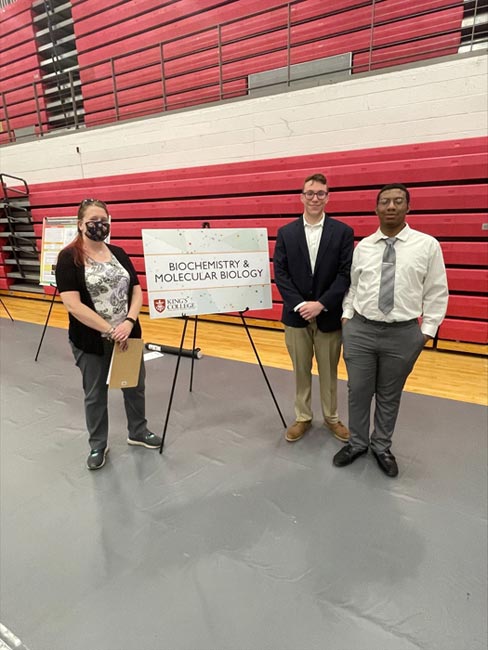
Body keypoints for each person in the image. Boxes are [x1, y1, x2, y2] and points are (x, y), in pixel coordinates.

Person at [335, 183, 448, 477]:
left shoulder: (427, 245)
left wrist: (427, 331)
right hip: (360, 330)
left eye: (398, 201)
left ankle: (381, 446)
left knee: (389, 394)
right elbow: (355, 287)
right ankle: (357, 443)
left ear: (408, 207)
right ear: (376, 208)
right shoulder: (363, 247)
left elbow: (437, 291)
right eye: (385, 201)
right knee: (358, 391)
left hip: (403, 333)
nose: (391, 206)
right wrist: (348, 318)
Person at [55, 198, 161, 470]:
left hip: (128, 334)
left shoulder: (119, 252)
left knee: (134, 386)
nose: (99, 226)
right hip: (92, 340)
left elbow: (136, 291)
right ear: (80, 224)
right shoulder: (68, 258)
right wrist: (110, 330)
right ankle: (98, 445)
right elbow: (72, 304)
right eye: (93, 221)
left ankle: (138, 431)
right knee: (95, 394)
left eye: (104, 220)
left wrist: (128, 321)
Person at [273, 173, 354, 443]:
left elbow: (345, 274)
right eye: (310, 193)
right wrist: (300, 305)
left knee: (330, 369)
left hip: (328, 315)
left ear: (328, 197)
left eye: (321, 193)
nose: (315, 198)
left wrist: (321, 305)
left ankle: (331, 417)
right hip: (295, 317)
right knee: (300, 369)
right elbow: (281, 274)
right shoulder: (286, 233)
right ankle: (303, 417)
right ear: (302, 197)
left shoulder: (343, 232)